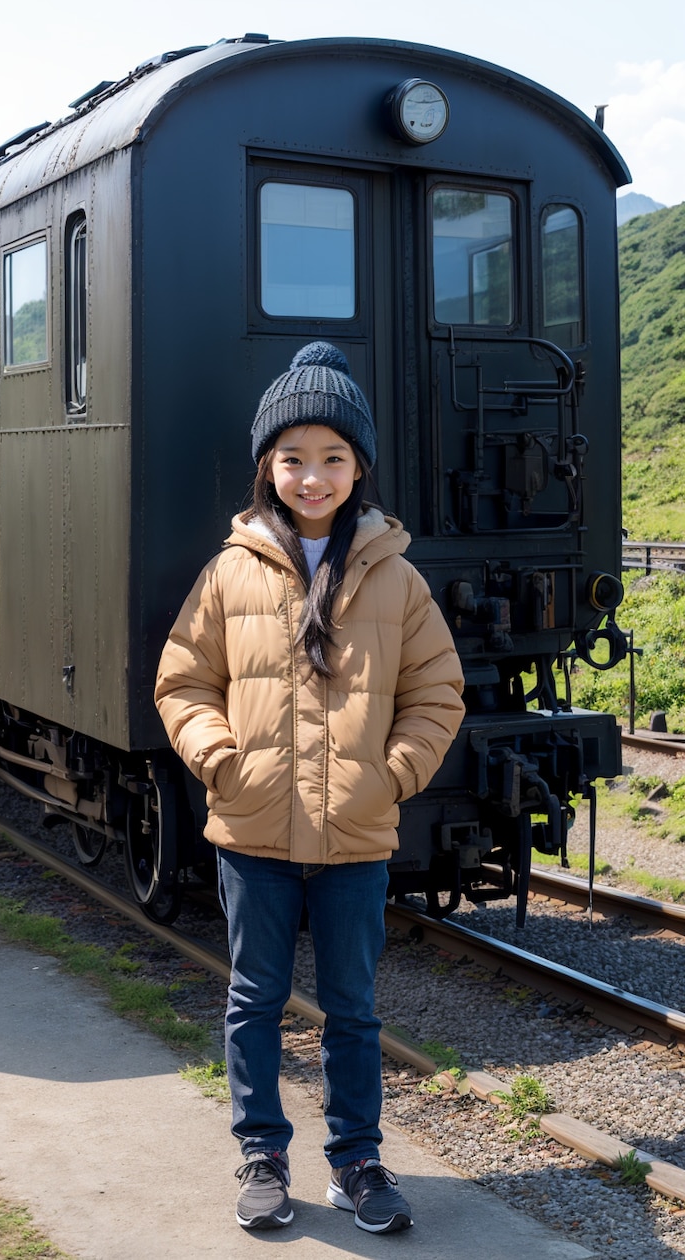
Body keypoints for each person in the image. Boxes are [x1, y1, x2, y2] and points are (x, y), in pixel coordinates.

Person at [154, 342, 465, 1234]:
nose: (313, 475)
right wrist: (221, 760)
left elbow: (436, 693)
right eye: (294, 458)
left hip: (354, 840)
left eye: (332, 457)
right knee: (252, 1000)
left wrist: (391, 775)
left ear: (358, 466)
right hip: (252, 833)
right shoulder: (230, 571)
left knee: (353, 1010)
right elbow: (183, 682)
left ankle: (357, 1163)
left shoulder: (396, 578)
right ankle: (262, 1155)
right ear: (268, 468)